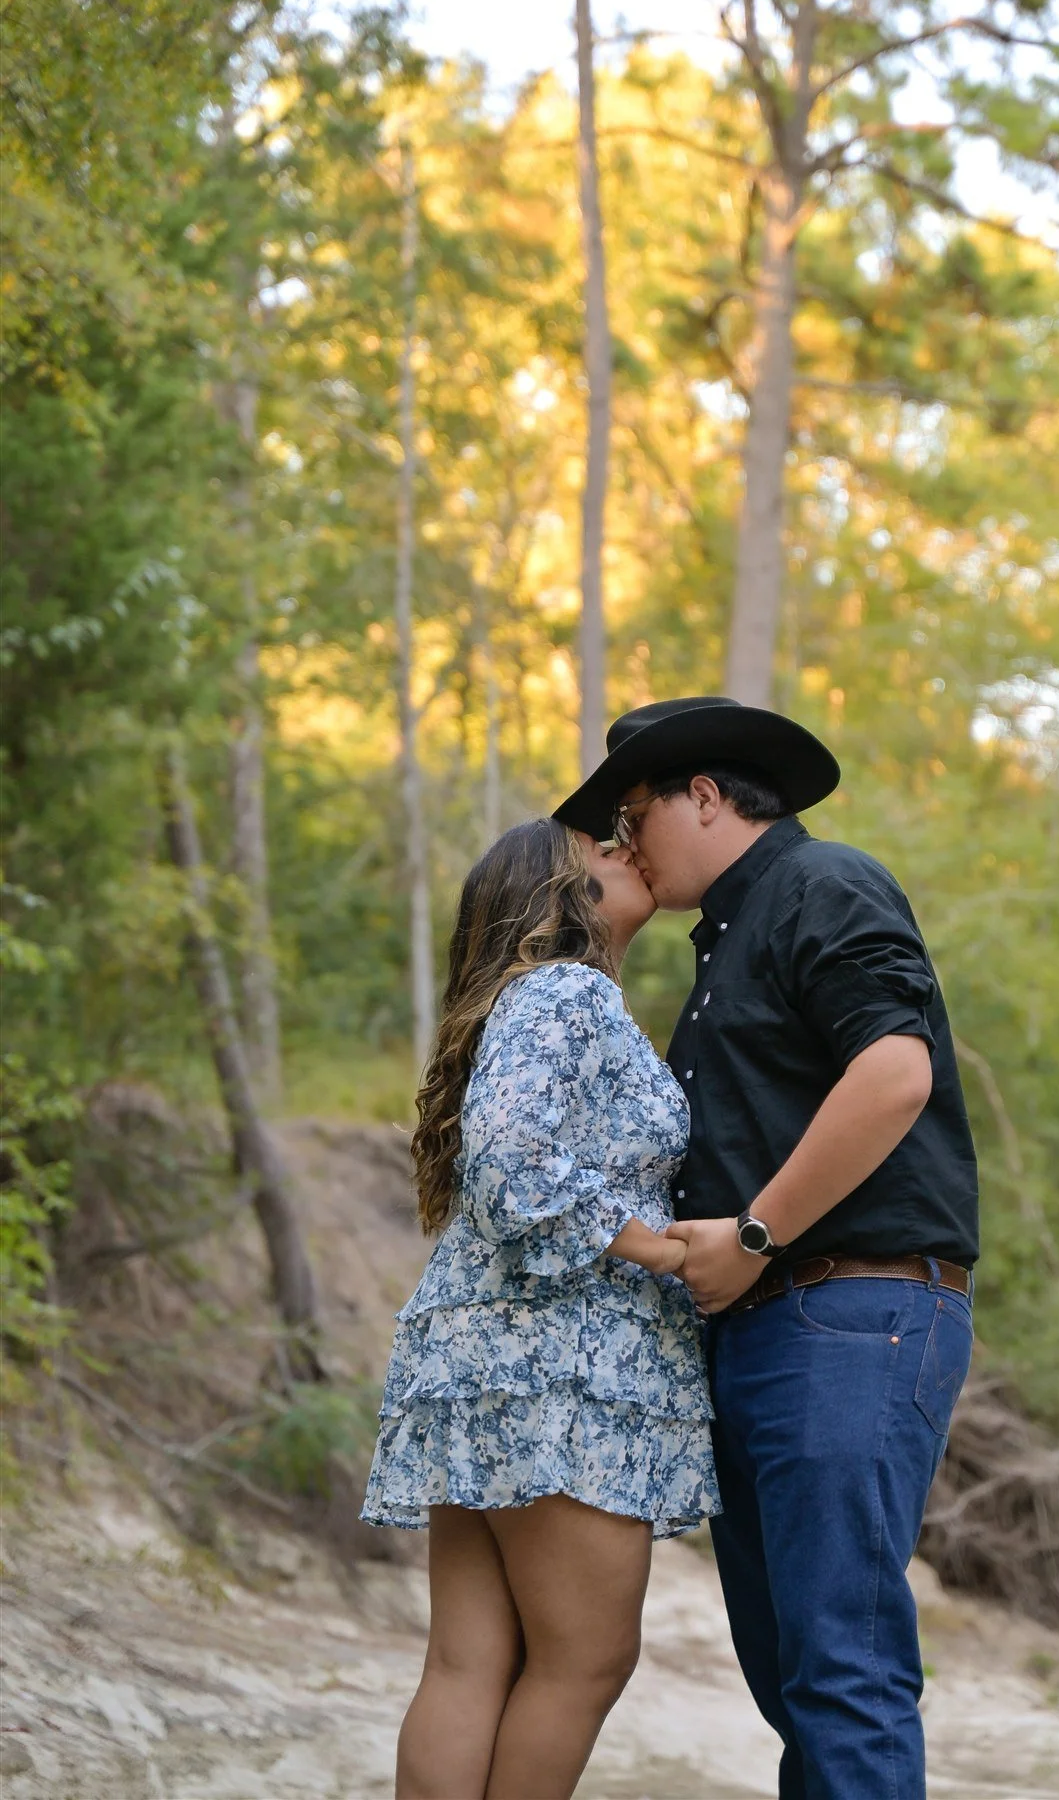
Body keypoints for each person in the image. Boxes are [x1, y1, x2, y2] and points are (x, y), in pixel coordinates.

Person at [555, 695, 979, 1800]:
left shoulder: (823, 883)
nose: (619, 840)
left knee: (842, 1666)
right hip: (768, 1328)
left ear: (704, 793)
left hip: (849, 1316)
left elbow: (895, 1072)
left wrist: (752, 1232)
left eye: (630, 809)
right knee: (796, 1676)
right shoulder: (724, 942)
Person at [361, 816, 718, 1800]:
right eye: (602, 846)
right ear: (557, 893)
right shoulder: (567, 992)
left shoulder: (535, 1001)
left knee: (469, 1660)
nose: (626, 844)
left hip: (486, 1356)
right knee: (584, 1658)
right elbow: (515, 1162)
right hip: (561, 1361)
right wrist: (658, 1243)